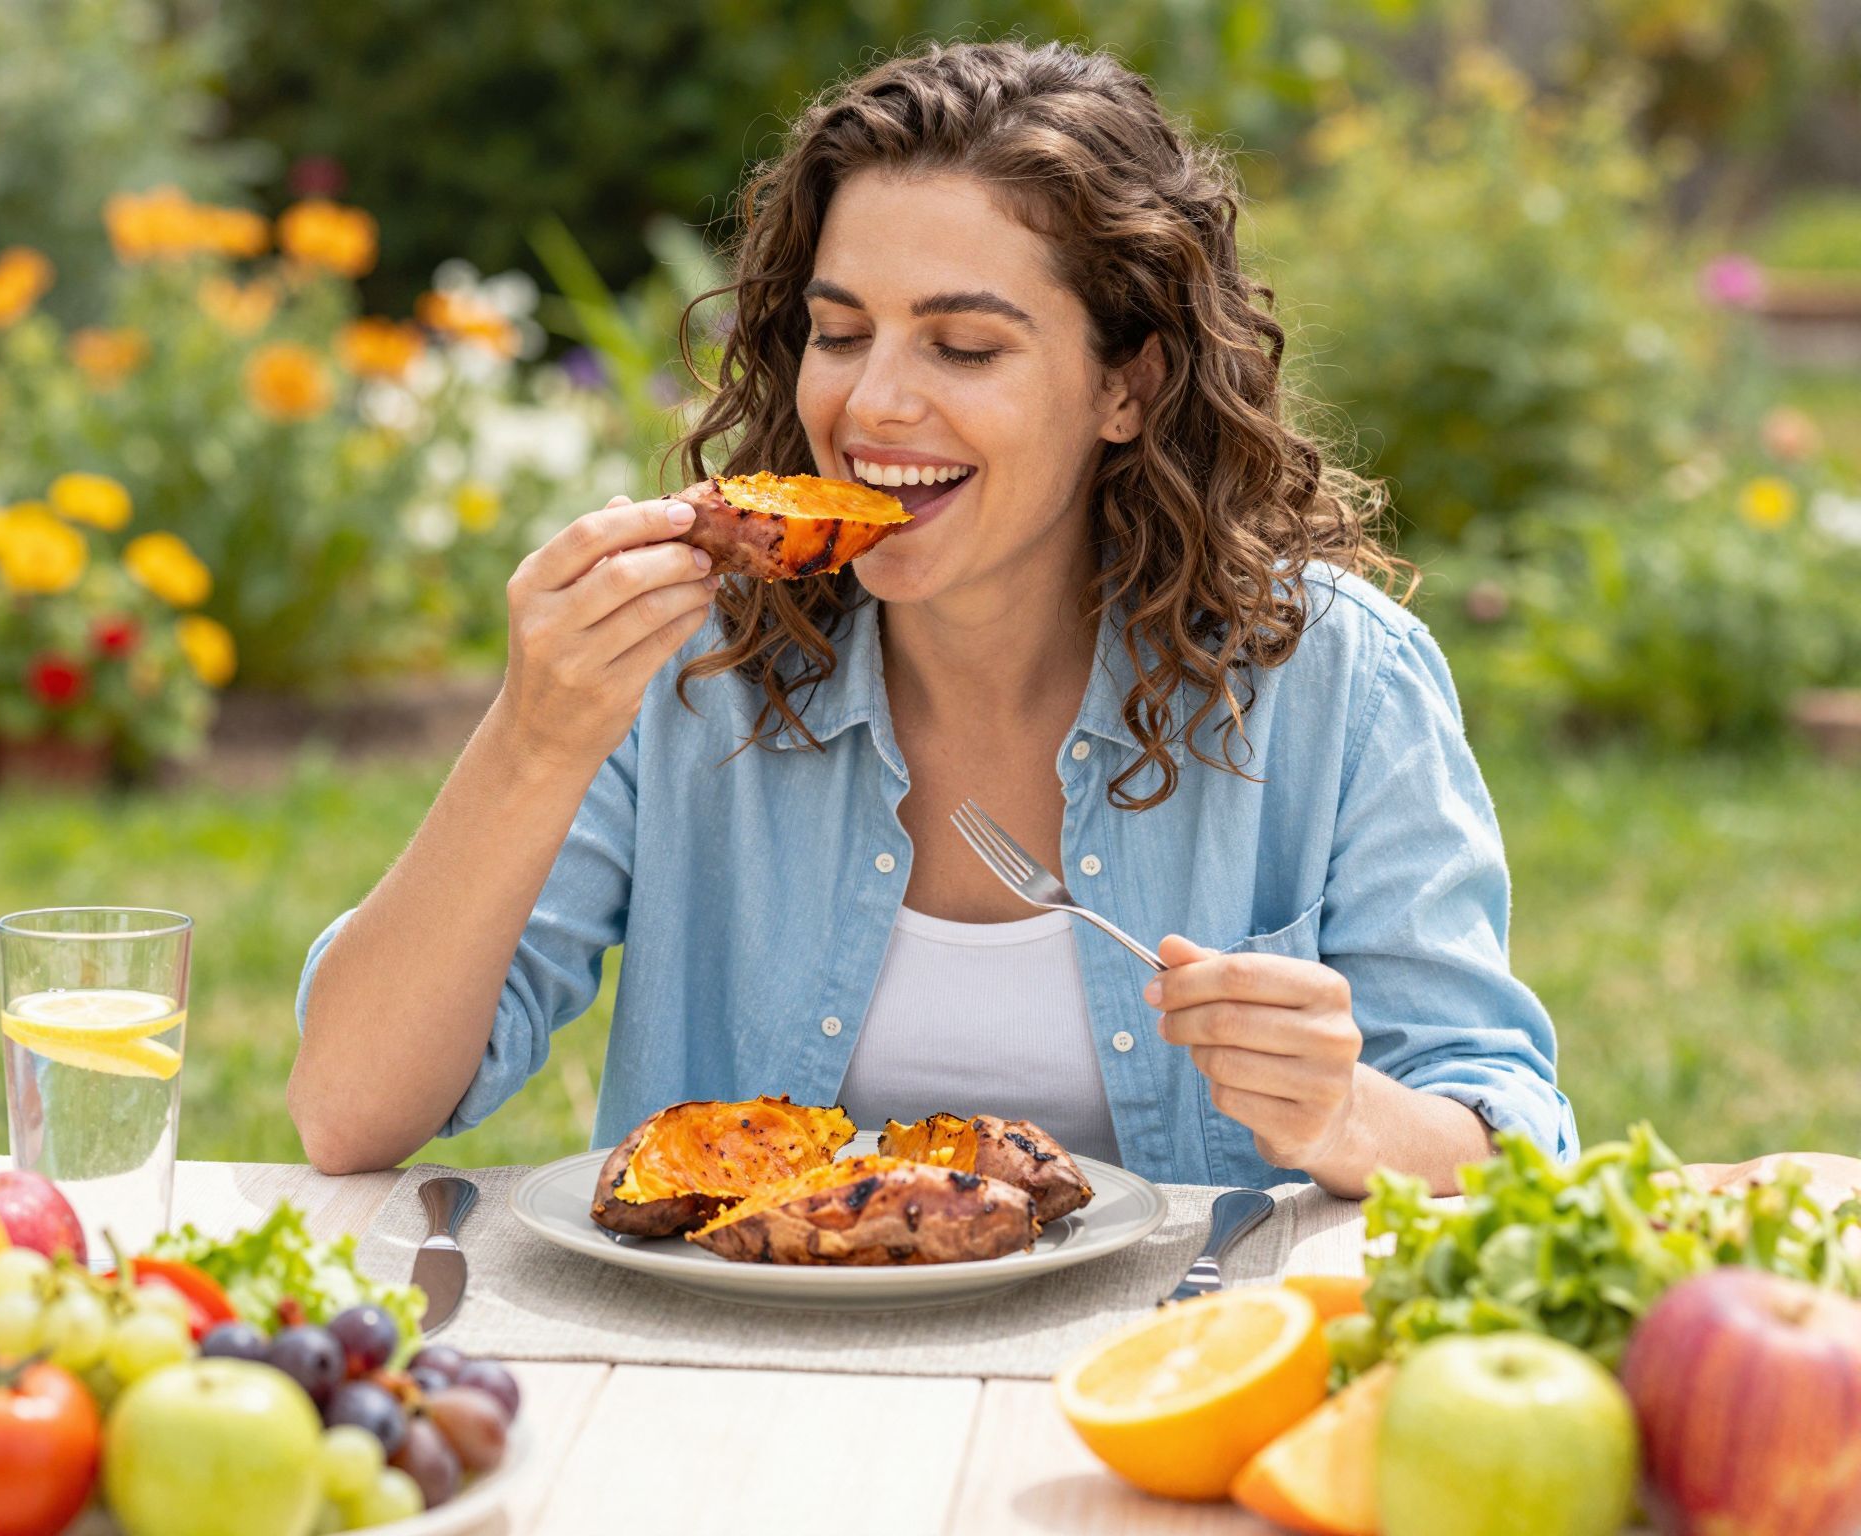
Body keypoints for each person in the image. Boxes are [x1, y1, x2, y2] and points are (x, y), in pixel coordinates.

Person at [287, 39, 1575, 1194]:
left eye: (963, 348)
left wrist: (1346, 1115)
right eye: (839, 333)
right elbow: (349, 1114)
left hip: (1167, 1383)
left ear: (1128, 384)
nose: (873, 407)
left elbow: (1500, 1125)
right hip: (742, 1382)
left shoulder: (1335, 682)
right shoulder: (691, 670)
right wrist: (533, 736)